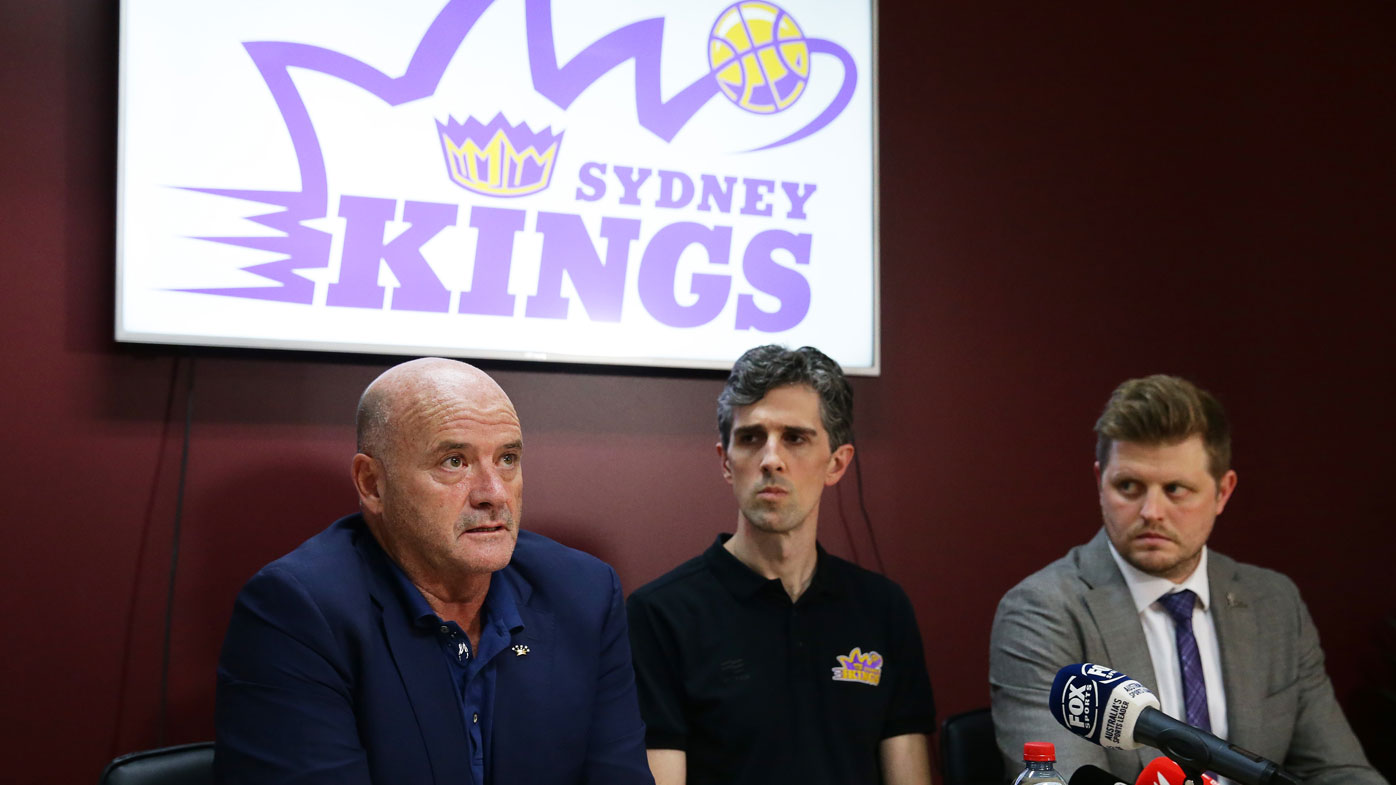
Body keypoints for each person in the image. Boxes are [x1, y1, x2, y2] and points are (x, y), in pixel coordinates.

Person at [215, 357, 654, 785]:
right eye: (455, 462)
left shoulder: (583, 592)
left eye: (507, 458)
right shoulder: (298, 611)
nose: (493, 493)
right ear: (372, 484)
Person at [989, 375, 1386, 784]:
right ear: (1099, 483)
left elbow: (1338, 771)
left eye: (1175, 489)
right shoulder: (1041, 611)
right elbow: (1061, 778)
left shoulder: (1274, 602)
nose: (1151, 511)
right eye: (1129, 486)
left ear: (1222, 492)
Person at [627, 345, 936, 785]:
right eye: (751, 438)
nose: (771, 458)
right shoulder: (660, 615)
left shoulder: (883, 609)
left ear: (836, 463)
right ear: (726, 462)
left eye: (795, 437)